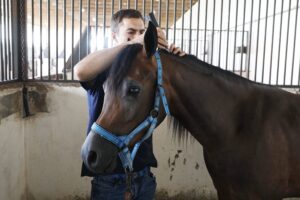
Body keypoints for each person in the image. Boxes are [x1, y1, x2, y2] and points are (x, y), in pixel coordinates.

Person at [75, 9, 185, 200]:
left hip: (143, 175)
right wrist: (134, 43)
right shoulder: (105, 67)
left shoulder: (145, 70)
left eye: (142, 32)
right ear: (114, 36)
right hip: (109, 178)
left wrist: (178, 62)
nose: (138, 36)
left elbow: (178, 96)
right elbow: (80, 71)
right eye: (131, 32)